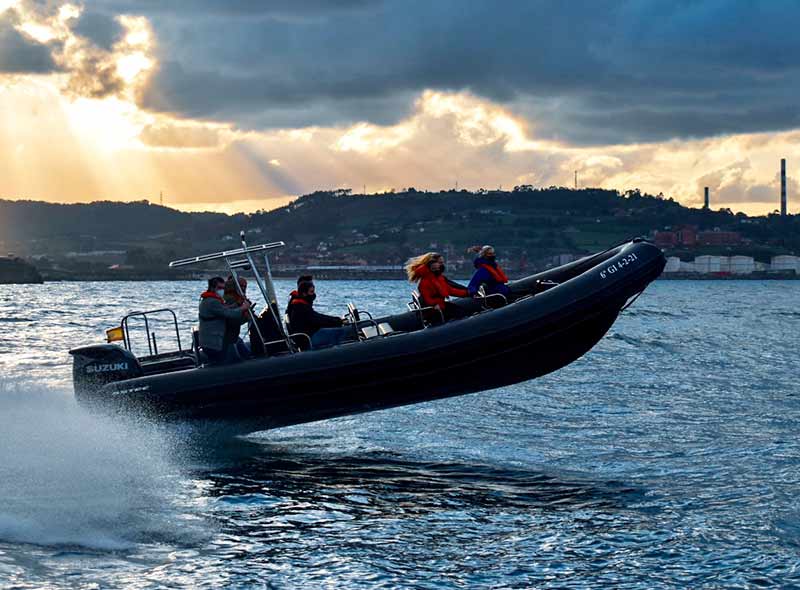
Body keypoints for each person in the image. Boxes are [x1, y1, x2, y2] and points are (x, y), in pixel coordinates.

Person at [198, 276, 250, 365]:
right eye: (219, 288)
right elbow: (229, 314)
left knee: (238, 343)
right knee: (236, 360)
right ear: (212, 288)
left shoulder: (211, 300)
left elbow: (224, 309)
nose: (222, 290)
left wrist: (237, 304)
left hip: (213, 340)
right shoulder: (212, 302)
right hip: (214, 344)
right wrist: (243, 308)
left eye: (223, 288)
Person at [287, 279, 351, 349]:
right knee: (342, 331)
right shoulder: (300, 307)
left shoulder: (298, 304)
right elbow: (318, 319)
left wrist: (336, 320)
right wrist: (338, 321)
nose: (313, 294)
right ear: (304, 293)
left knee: (336, 329)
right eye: (311, 292)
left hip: (307, 335)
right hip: (308, 338)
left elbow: (317, 317)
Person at [405, 252, 469, 321]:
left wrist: (467, 293)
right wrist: (434, 304)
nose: (441, 265)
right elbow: (426, 298)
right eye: (440, 263)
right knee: (459, 313)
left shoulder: (438, 278)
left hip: (441, 305)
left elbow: (450, 290)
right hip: (433, 310)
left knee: (460, 311)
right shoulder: (425, 281)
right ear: (432, 264)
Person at [223, 275, 252, 359]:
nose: (243, 288)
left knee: (246, 352)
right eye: (241, 286)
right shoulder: (228, 298)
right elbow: (229, 318)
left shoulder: (236, 298)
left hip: (231, 335)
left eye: (244, 286)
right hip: (225, 337)